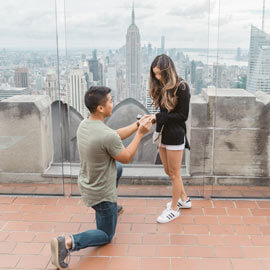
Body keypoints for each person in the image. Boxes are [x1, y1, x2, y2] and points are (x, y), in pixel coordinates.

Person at [50, 86, 152, 270]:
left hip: (88, 182)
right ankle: (66, 242)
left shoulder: (86, 124)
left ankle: (110, 210)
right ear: (101, 108)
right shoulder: (105, 135)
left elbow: (114, 136)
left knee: (117, 168)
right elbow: (127, 156)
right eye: (110, 101)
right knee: (106, 235)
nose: (113, 103)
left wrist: (137, 124)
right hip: (101, 193)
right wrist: (141, 133)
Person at [149, 54, 192, 224]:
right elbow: (163, 113)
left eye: (160, 73)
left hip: (174, 135)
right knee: (168, 171)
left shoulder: (181, 87)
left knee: (174, 174)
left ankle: (174, 209)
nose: (157, 77)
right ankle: (184, 199)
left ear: (168, 71)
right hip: (162, 134)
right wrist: (154, 118)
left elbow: (183, 115)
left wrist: (158, 117)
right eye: (155, 74)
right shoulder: (160, 86)